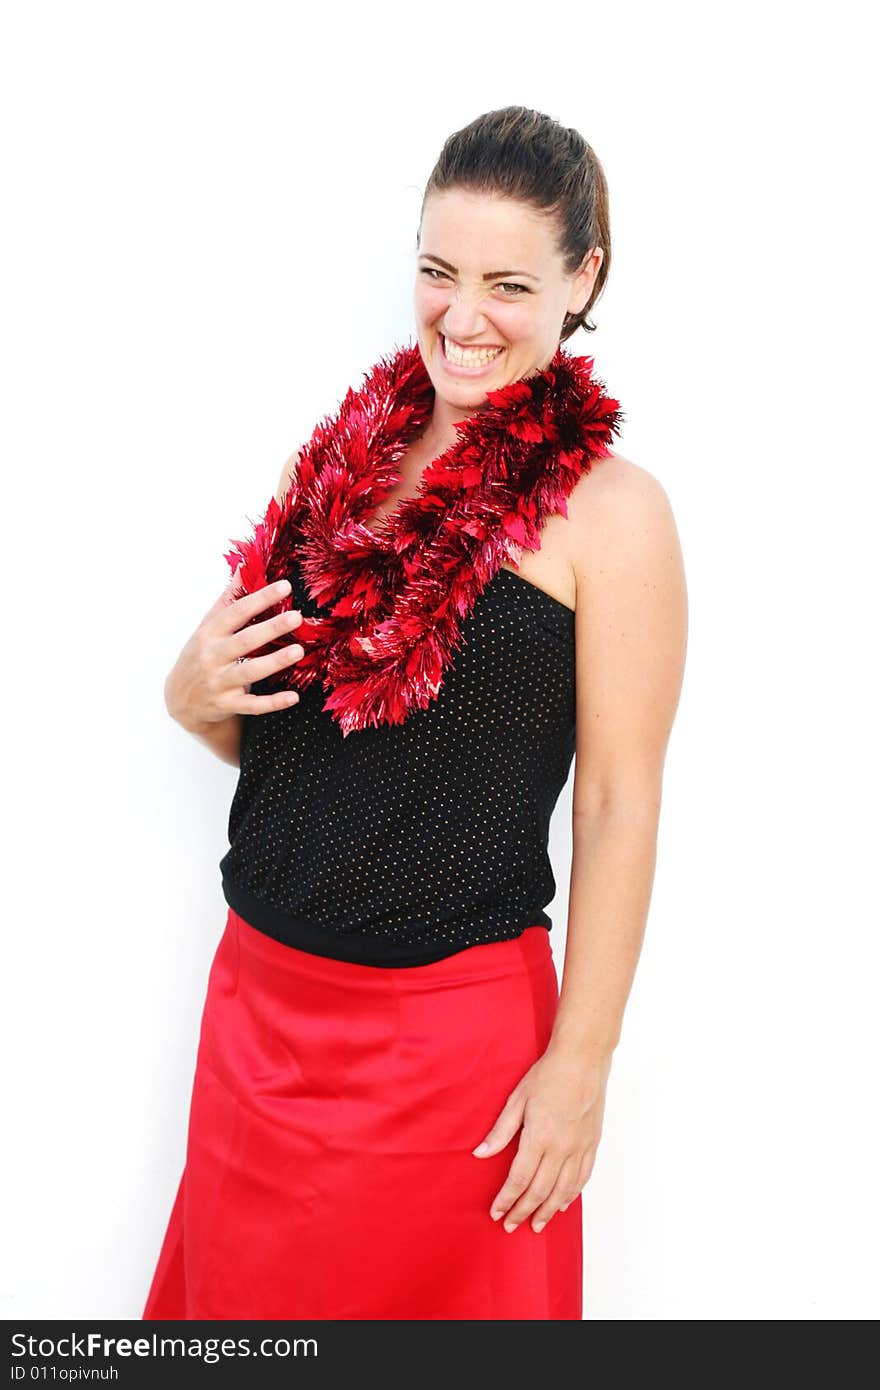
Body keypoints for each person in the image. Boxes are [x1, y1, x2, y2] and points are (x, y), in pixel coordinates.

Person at [141, 105, 688, 1321]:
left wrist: (581, 1063)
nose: (462, 315)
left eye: (507, 282)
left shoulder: (614, 516)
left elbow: (615, 801)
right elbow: (291, 735)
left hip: (452, 1055)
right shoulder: (331, 461)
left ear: (579, 279)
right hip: (257, 1018)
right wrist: (189, 698)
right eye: (438, 273)